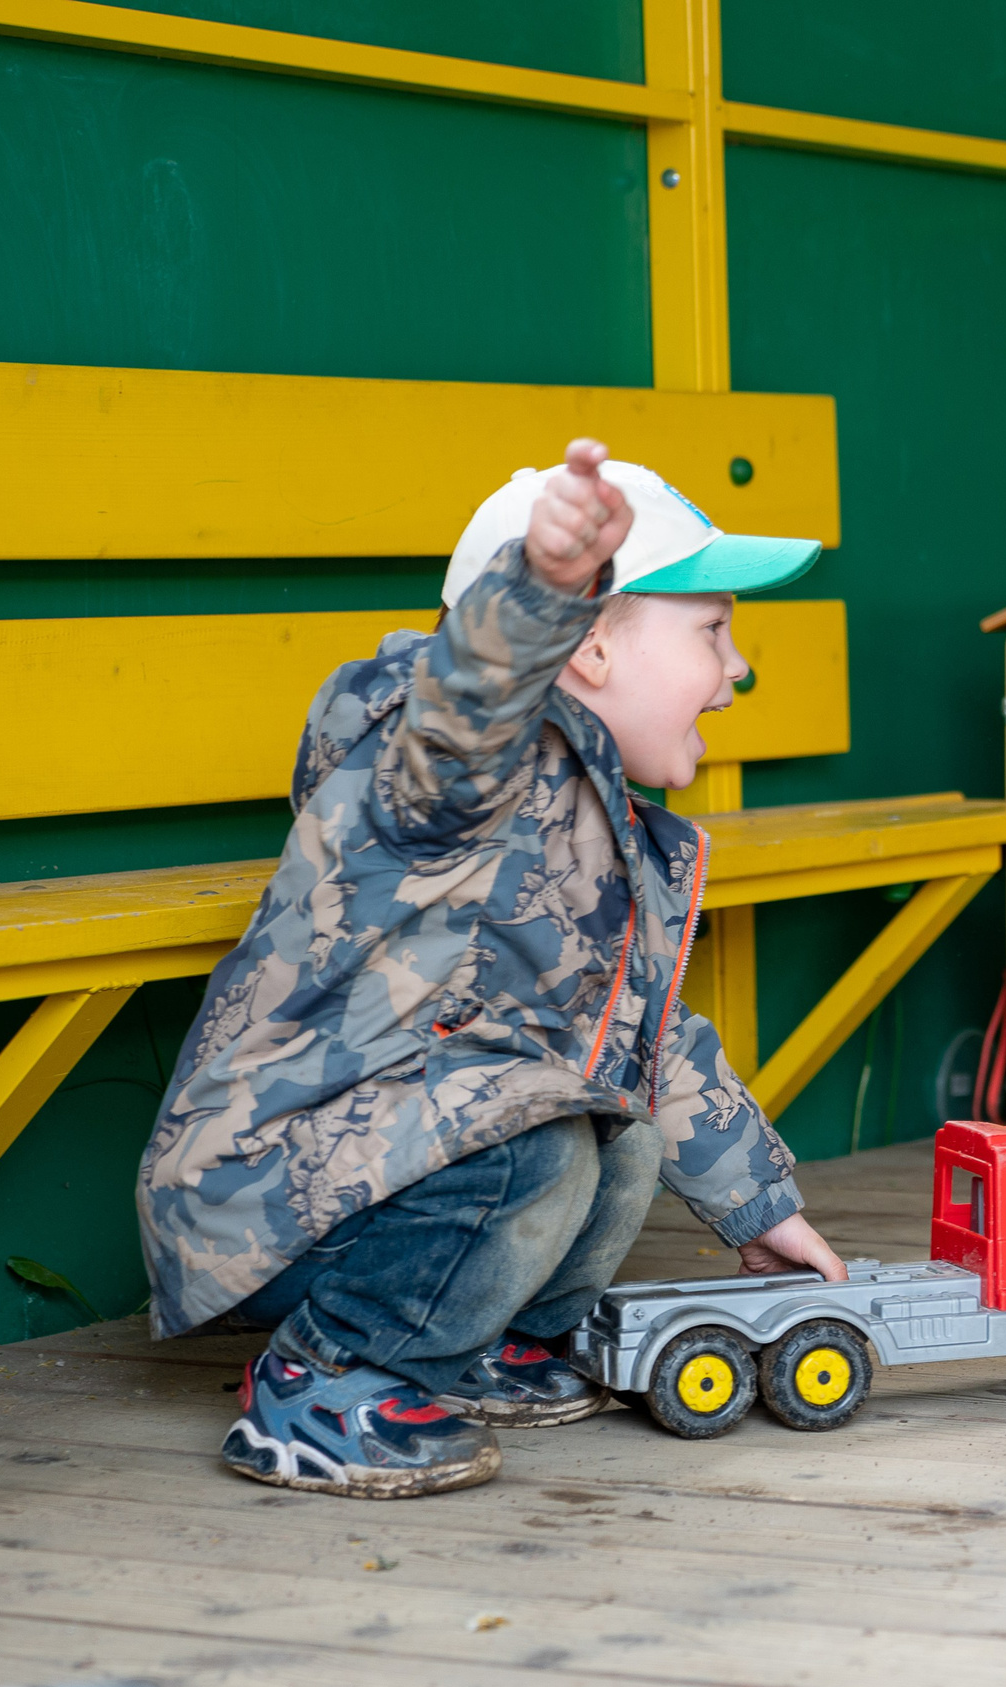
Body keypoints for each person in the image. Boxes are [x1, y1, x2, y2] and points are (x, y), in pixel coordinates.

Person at [139, 440, 849, 1497]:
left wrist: (760, 1209)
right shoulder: (448, 776)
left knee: (619, 1124)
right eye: (712, 630)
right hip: (271, 1188)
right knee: (532, 1133)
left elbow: (656, 1045)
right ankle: (325, 1380)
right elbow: (467, 700)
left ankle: (477, 1339)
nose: (736, 669)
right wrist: (545, 591)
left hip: (381, 1169)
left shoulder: (601, 834)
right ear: (591, 650)